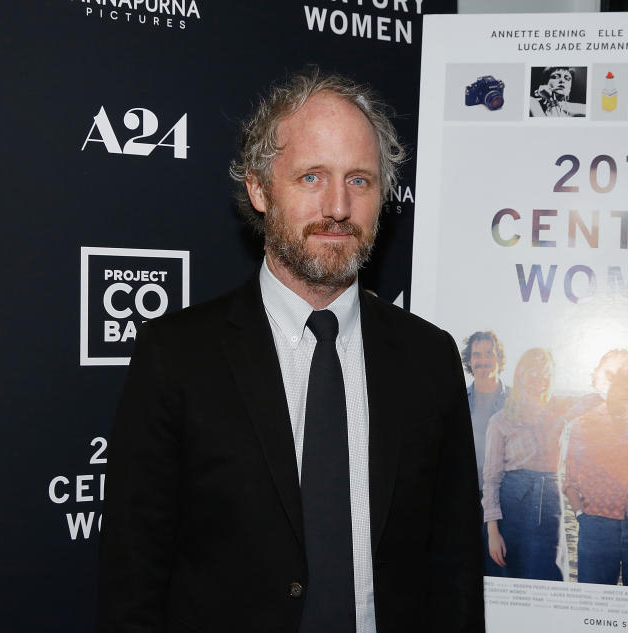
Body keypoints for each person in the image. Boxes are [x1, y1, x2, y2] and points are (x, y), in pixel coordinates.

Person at [97, 70, 484, 633]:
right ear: (259, 188)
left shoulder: (430, 357)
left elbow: (454, 569)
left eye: (360, 181)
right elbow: (132, 577)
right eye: (311, 177)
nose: (338, 207)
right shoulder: (178, 356)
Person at [563, 349, 628, 587]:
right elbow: (570, 479)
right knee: (594, 608)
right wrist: (582, 515)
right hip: (597, 526)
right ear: (605, 378)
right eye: (618, 376)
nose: (625, 383)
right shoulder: (583, 425)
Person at [481, 348, 570, 581]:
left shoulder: (560, 419)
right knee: (511, 580)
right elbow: (490, 479)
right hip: (512, 509)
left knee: (552, 578)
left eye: (546, 372)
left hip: (551, 505)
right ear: (520, 374)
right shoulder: (500, 421)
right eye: (534, 371)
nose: (540, 377)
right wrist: (493, 532)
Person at [461, 330, 509, 577]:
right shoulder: (457, 399)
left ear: (499, 358)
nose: (482, 360)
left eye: (489, 353)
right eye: (476, 354)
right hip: (466, 499)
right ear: (469, 361)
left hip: (505, 500)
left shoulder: (514, 401)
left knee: (499, 570)